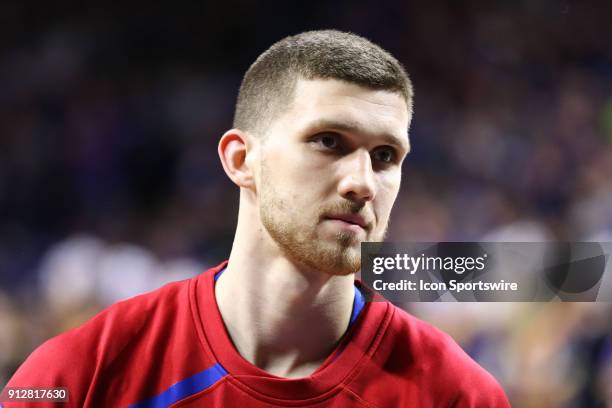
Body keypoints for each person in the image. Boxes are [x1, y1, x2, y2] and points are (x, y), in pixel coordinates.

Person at [2, 30, 510, 407]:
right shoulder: (76, 376)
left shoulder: (459, 395)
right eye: (328, 142)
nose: (362, 182)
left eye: (384, 156)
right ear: (241, 161)